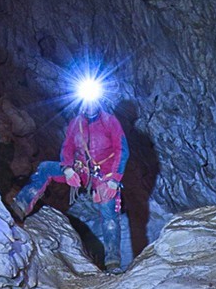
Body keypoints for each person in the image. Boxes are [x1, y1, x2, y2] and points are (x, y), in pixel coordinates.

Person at [13, 92, 129, 271]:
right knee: (45, 168)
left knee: (109, 215)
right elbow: (67, 148)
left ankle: (112, 261)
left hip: (104, 176)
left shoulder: (110, 121)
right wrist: (67, 169)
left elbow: (122, 150)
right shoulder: (76, 123)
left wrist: (114, 179)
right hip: (80, 171)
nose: (89, 106)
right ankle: (19, 207)